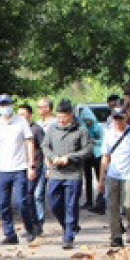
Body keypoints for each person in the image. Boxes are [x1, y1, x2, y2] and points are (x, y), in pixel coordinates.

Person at [0, 94, 38, 245]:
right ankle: (10, 234)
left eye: (7, 104)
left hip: (20, 168)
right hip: (3, 169)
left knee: (22, 202)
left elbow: (29, 142)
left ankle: (30, 228)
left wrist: (31, 165)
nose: (5, 107)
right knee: (3, 204)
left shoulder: (21, 122)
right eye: (2, 105)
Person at [42, 100, 93, 250]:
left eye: (64, 117)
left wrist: (70, 158)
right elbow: (45, 146)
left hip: (73, 174)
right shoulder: (52, 129)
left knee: (71, 205)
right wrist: (52, 158)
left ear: (71, 115)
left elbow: (88, 149)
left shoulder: (81, 130)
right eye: (58, 117)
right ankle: (69, 226)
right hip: (56, 173)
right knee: (54, 203)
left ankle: (69, 236)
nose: (61, 120)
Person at [98, 107, 130, 247]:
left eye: (120, 118)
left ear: (125, 118)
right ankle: (115, 236)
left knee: (129, 206)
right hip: (113, 174)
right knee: (112, 206)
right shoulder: (109, 134)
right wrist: (101, 178)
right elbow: (105, 157)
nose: (118, 121)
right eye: (115, 118)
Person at [20, 102, 49, 234]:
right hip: (21, 167)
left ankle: (37, 223)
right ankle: (32, 224)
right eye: (19, 115)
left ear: (30, 116)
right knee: (26, 196)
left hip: (36, 167)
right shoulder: (17, 129)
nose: (21, 117)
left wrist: (47, 167)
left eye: (23, 115)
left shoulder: (36, 130)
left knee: (34, 195)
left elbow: (45, 148)